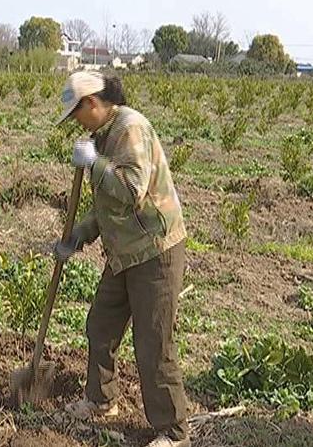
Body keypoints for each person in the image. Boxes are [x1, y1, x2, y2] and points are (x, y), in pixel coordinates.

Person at [54, 71, 190, 447]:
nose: (75, 123)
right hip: (124, 252)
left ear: (92, 103)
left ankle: (173, 432)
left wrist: (94, 165)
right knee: (101, 326)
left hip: (154, 251)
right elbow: (111, 208)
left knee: (153, 343)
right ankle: (101, 400)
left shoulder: (130, 128)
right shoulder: (103, 136)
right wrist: (79, 235)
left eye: (76, 113)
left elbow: (131, 190)